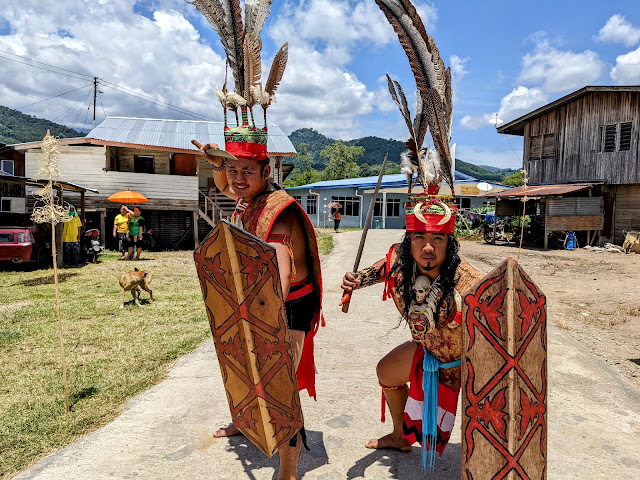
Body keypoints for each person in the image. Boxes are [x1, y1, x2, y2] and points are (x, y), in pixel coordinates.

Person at [197, 121, 323, 480]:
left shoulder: (276, 211)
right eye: (232, 169)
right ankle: (246, 420)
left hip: (287, 304)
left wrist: (262, 322)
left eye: (247, 170)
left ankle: (287, 471)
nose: (237, 178)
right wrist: (215, 162)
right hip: (254, 300)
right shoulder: (248, 194)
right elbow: (225, 182)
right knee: (241, 365)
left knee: (278, 382)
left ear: (266, 171)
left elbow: (279, 273)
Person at [341, 196, 484, 469]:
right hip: (428, 350)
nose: (428, 247)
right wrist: (356, 280)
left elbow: (495, 303)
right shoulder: (399, 260)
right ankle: (399, 436)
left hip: (468, 362)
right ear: (409, 240)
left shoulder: (466, 278)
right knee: (386, 371)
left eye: (438, 238)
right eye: (419, 236)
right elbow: (377, 271)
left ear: (450, 243)